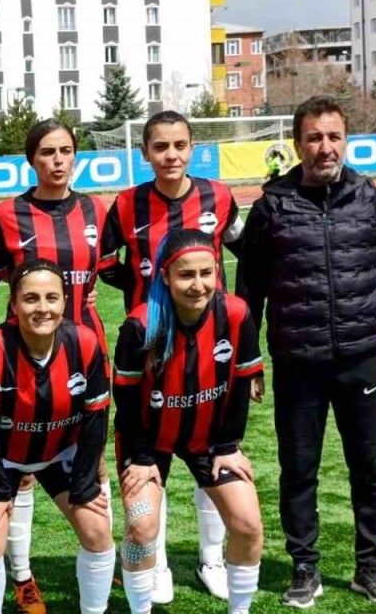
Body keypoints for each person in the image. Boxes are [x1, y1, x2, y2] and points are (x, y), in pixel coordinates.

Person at [237, 94, 376, 608]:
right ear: (298, 145)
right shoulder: (271, 207)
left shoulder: (371, 199)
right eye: (314, 138)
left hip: (363, 356)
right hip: (298, 361)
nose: (325, 147)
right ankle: (304, 568)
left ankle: (370, 566)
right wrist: (249, 359)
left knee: (370, 467)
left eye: (334, 136)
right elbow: (248, 291)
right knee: (299, 469)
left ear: (346, 140)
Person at [100, 109, 245, 603]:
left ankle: (212, 559)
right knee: (148, 454)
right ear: (145, 153)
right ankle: (155, 563)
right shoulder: (126, 205)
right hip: (153, 345)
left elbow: (246, 248)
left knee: (212, 450)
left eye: (179, 145)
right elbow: (106, 264)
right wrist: (144, 289)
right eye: (160, 147)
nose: (171, 155)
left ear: (192, 148)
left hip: (211, 345)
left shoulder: (218, 196)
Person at [0, 119, 116, 613]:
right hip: (21, 357)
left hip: (83, 353)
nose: (57, 160)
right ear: (31, 160)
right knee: (17, 466)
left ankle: (118, 555)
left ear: (75, 156)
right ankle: (20, 575)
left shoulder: (95, 209)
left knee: (92, 460)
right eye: (47, 153)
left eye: (65, 151)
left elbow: (115, 268)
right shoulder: (9, 214)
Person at [113, 230, 264, 614]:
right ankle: (139, 609)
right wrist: (140, 457)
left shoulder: (236, 314)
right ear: (165, 276)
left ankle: (240, 610)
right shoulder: (139, 325)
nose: (198, 285)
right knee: (140, 529)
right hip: (147, 443)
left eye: (206, 273)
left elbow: (242, 382)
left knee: (248, 524)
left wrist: (229, 445)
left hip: (211, 439)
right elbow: (126, 401)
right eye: (186, 275)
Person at [0, 259, 115, 614]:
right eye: (31, 298)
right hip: (0, 457)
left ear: (65, 301)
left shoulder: (85, 343)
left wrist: (85, 486)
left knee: (98, 530)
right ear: (14, 305)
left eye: (51, 297)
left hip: (60, 452)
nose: (42, 308)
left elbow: (95, 420)